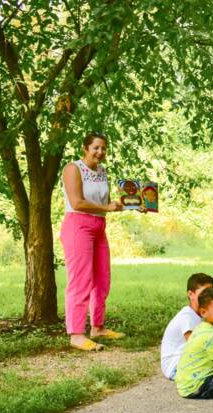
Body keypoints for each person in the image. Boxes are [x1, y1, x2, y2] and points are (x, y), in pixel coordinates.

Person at [61, 132, 125, 351]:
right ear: (85, 148)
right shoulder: (73, 168)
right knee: (80, 281)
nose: (100, 152)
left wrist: (135, 205)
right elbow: (77, 202)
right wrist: (106, 208)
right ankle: (76, 334)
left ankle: (98, 327)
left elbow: (106, 203)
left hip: (99, 227)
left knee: (102, 279)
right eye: (96, 147)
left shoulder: (102, 171)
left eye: (104, 148)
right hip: (78, 226)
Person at [160, 273, 213, 379]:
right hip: (175, 367)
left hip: (184, 364)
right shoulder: (187, 316)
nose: (208, 297)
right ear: (190, 294)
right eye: (204, 293)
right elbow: (194, 346)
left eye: (211, 292)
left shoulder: (199, 314)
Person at [175, 287, 213, 399]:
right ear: (203, 312)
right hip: (199, 385)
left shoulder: (201, 327)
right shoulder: (212, 335)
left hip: (186, 385)